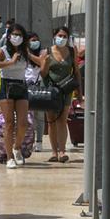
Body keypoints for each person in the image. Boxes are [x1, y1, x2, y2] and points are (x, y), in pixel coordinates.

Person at [31, 26, 81, 163]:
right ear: (54, 36)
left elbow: (76, 71)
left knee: (63, 120)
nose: (62, 38)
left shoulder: (71, 51)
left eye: (65, 36)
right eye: (60, 35)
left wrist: (80, 93)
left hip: (66, 91)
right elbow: (42, 74)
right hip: (49, 90)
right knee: (52, 121)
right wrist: (45, 63)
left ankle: (62, 151)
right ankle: (54, 152)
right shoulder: (46, 52)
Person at [0, 23, 31, 168]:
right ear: (9, 36)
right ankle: (9, 156)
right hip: (6, 85)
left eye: (20, 35)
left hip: (21, 85)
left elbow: (37, 62)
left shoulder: (25, 52)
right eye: (14, 35)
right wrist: (10, 62)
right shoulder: (3, 51)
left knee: (23, 123)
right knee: (9, 123)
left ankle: (17, 148)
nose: (17, 38)